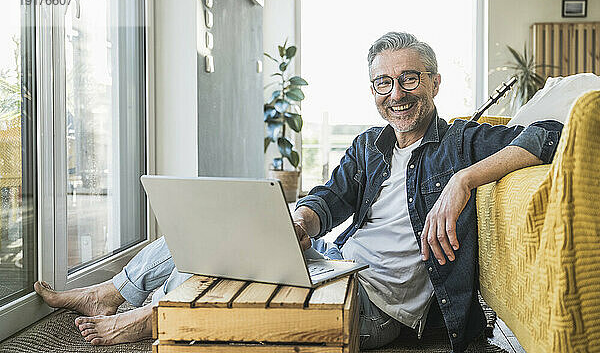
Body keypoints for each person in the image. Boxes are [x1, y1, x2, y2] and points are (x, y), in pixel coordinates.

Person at [35, 32, 562, 352]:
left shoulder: (464, 142)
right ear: (373, 89)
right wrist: (304, 220)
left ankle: (158, 316)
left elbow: (550, 134)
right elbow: (329, 198)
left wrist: (462, 180)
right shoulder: (369, 145)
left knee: (260, 282)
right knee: (233, 233)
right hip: (339, 262)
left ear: (435, 82)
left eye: (410, 79)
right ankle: (110, 293)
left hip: (383, 306)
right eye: (383, 82)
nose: (396, 93)